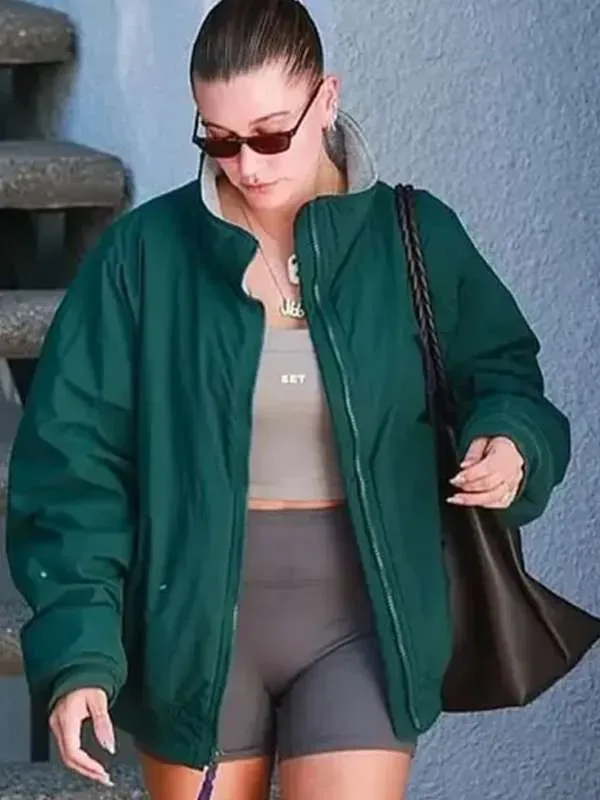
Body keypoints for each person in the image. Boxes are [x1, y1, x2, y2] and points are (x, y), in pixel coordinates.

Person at [5, 0, 571, 798]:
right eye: (218, 139)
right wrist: (80, 654)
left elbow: (505, 374)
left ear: (326, 100)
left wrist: (511, 443)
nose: (247, 165)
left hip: (365, 622)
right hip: (192, 629)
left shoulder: (413, 236)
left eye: (271, 135)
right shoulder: (144, 256)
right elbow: (73, 468)